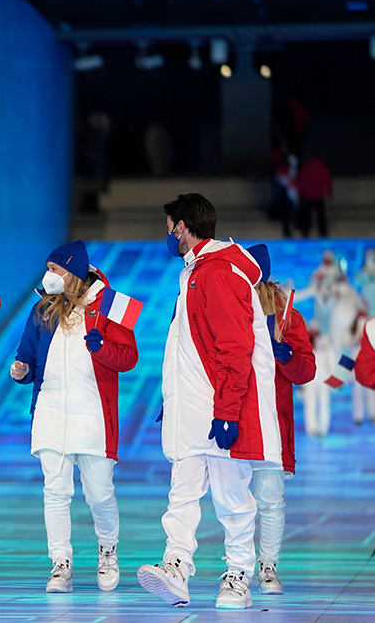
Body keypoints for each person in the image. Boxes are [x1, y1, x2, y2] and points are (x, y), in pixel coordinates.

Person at [137, 194, 281, 610]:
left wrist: (228, 411)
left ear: (182, 226)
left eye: (169, 226)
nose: (167, 234)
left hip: (219, 408)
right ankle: (176, 568)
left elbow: (234, 347)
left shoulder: (218, 272)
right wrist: (175, 398)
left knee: (231, 495)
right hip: (192, 409)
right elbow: (188, 349)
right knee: (181, 493)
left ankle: (238, 575)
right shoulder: (195, 273)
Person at [10, 240, 137, 594]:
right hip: (50, 410)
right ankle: (60, 563)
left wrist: (103, 347)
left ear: (75, 273)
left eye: (56, 270)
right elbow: (27, 358)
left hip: (92, 413)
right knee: (55, 490)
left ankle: (108, 551)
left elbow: (129, 359)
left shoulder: (110, 305)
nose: (49, 276)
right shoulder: (42, 310)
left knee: (99, 494)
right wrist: (21, 370)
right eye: (48, 269)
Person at [246, 244, 316, 595]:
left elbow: (306, 371)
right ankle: (239, 567)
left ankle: (268, 565)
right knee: (235, 501)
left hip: (272, 422)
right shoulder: (228, 307)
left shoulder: (288, 315)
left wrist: (287, 357)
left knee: (271, 498)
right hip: (234, 418)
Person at [295, 156, 332, 237]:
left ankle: (306, 232)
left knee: (308, 216)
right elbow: (327, 178)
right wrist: (329, 192)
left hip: (309, 195)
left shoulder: (307, 166)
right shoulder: (320, 166)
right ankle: (323, 232)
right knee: (320, 215)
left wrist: (300, 193)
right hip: (318, 195)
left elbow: (301, 180)